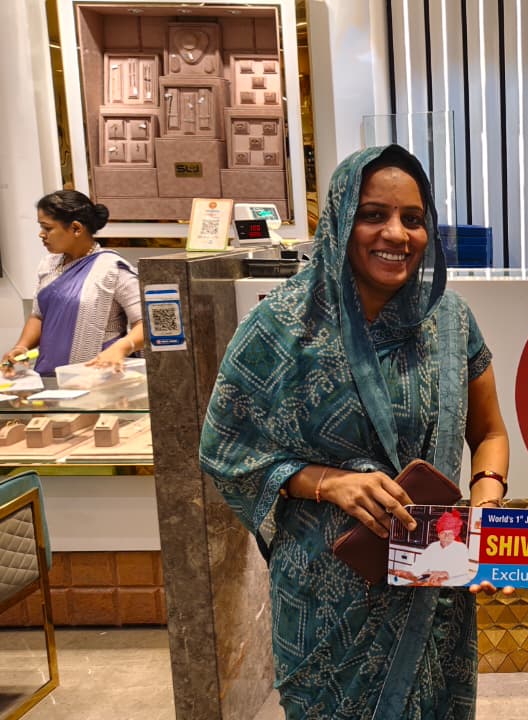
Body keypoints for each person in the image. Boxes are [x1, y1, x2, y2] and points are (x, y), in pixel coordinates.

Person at [199, 144, 510, 720]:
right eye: (373, 214)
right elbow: (226, 448)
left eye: (413, 218)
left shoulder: (449, 320)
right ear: (341, 220)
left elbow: (489, 432)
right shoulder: (280, 327)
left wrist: (487, 508)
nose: (396, 233)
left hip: (432, 577)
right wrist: (329, 482)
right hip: (326, 594)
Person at [2, 190, 143, 377]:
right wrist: (21, 347)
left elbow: (145, 323)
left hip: (99, 376)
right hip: (51, 378)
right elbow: (39, 315)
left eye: (47, 228)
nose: (41, 234)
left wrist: (121, 348)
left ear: (76, 228)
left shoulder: (112, 268)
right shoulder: (49, 265)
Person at [418, 509, 472, 585]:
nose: (446, 536)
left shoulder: (461, 548)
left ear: (454, 535)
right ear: (438, 535)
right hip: (432, 581)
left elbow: (464, 569)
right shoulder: (432, 547)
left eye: (450, 534)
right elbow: (421, 564)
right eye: (443, 533)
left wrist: (445, 573)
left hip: (453, 583)